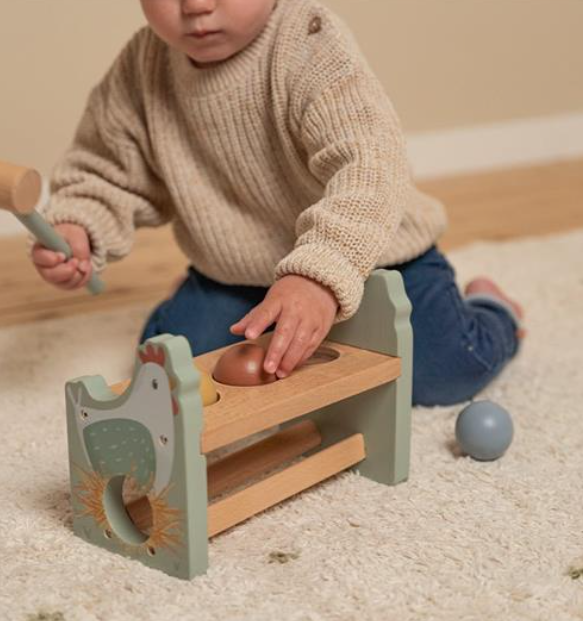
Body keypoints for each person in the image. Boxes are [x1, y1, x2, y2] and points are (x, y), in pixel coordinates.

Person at [30, 0, 524, 406]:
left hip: (371, 254)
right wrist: (81, 226)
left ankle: (491, 307)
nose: (197, 6)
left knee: (447, 368)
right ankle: (197, 291)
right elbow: (106, 169)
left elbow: (370, 167)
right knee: (174, 371)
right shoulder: (142, 68)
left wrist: (318, 275)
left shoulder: (309, 42)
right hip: (239, 271)